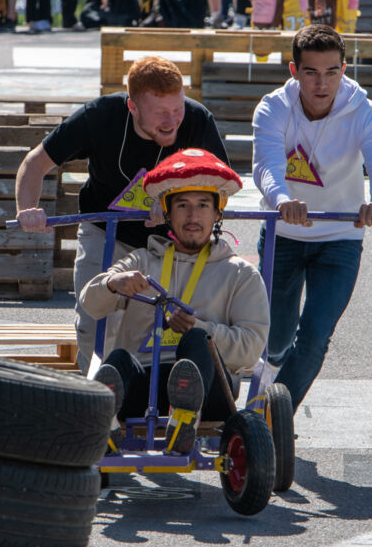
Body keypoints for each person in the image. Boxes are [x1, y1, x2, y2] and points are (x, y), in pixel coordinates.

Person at [14, 56, 228, 372]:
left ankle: (159, 400)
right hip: (105, 231)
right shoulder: (100, 116)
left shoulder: (197, 120)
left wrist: (174, 200)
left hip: (169, 242)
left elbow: (221, 185)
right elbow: (35, 163)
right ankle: (99, 399)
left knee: (168, 327)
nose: (172, 121)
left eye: (177, 109)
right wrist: (27, 209)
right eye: (161, 113)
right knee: (94, 322)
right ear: (133, 107)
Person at [80, 149, 270, 455]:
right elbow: (90, 305)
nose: (193, 216)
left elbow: (251, 349)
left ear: (217, 213)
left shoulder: (241, 274)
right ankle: (106, 423)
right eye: (182, 205)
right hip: (145, 381)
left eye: (202, 206)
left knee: (196, 338)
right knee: (117, 361)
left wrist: (202, 328)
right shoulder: (141, 260)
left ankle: (184, 418)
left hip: (211, 390)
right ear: (167, 213)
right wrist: (113, 284)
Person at [251, 23, 372, 411]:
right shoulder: (273, 108)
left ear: (344, 69)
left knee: (315, 337)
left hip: (340, 239)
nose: (322, 83)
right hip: (283, 234)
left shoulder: (365, 113)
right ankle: (264, 384)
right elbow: (266, 166)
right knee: (276, 339)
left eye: (332, 72)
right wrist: (282, 199)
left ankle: (270, 418)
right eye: (311, 72)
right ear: (293, 71)